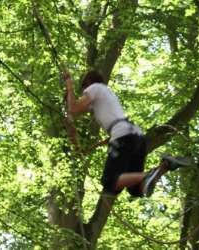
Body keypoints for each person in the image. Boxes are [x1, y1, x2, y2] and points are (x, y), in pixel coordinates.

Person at [63, 69, 189, 197]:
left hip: (123, 135)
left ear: (88, 82)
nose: (84, 93)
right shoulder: (105, 94)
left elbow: (73, 108)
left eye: (84, 88)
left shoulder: (95, 88)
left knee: (109, 181)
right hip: (135, 136)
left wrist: (69, 86)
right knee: (136, 189)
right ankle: (165, 166)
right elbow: (76, 111)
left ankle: (148, 174)